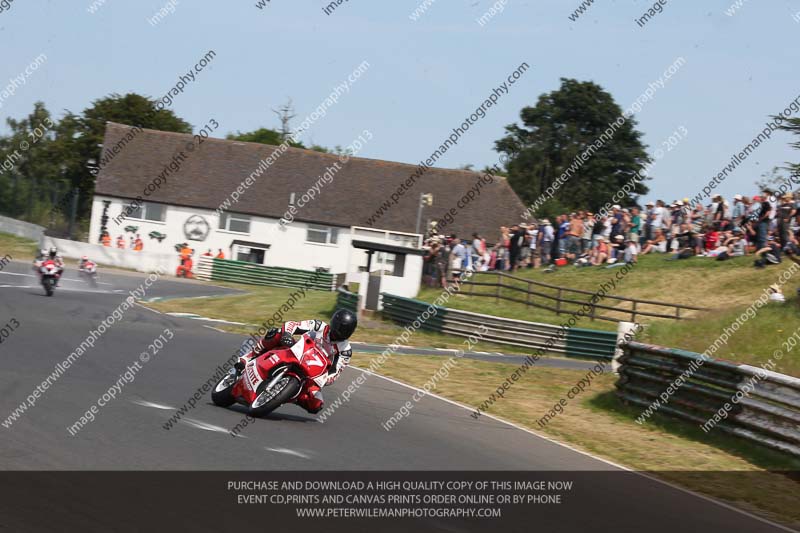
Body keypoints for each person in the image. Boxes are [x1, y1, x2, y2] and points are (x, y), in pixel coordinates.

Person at [237, 309, 357, 414]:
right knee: (277, 333)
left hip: (312, 374)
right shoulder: (319, 326)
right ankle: (249, 356)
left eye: (346, 330)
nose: (341, 331)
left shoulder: (345, 350)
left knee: (316, 404)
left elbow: (335, 373)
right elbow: (293, 324)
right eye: (341, 327)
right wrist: (287, 334)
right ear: (334, 323)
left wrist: (324, 379)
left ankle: (289, 394)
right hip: (295, 352)